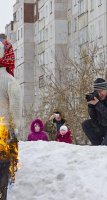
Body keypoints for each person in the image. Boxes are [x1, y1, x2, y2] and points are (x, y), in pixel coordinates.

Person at [0, 35, 20, 200]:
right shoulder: (10, 81)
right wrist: (14, 128)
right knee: (4, 170)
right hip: (3, 131)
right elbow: (14, 108)